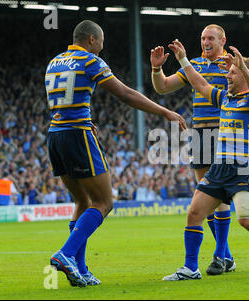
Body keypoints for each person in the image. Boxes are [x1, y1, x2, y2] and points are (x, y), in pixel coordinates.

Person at [46, 20, 186, 287]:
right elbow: (124, 93)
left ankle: (81, 270)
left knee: (82, 202)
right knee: (104, 202)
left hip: (55, 135)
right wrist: (164, 111)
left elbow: (63, 101)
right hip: (77, 135)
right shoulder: (90, 60)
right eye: (101, 41)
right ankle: (65, 254)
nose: (102, 46)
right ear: (91, 40)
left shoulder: (54, 62)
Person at [163, 40, 249, 281]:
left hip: (243, 170)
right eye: (229, 73)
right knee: (194, 214)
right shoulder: (225, 98)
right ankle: (191, 268)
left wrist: (242, 66)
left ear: (245, 75)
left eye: (232, 73)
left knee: (247, 221)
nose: (228, 76)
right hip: (218, 168)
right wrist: (182, 59)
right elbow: (200, 83)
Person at [150, 24, 236, 275]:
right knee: (205, 194)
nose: (205, 42)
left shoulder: (229, 65)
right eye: (202, 38)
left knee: (218, 195)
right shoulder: (194, 65)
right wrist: (157, 68)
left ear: (222, 40)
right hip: (199, 133)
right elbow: (163, 86)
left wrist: (238, 68)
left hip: (224, 131)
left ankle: (220, 256)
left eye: (210, 38)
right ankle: (226, 255)